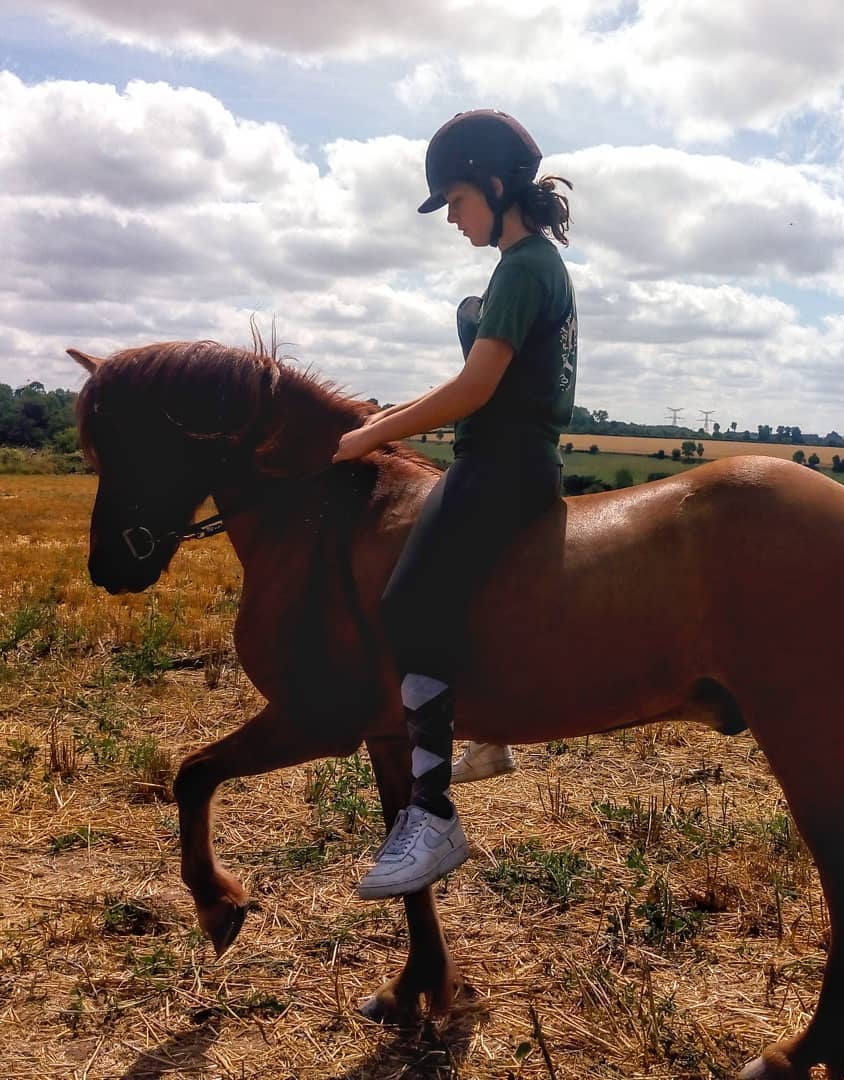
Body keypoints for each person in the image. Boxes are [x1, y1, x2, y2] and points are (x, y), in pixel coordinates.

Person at [333, 110, 578, 898]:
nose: (453, 221)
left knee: (407, 605)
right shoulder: (530, 263)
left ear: (496, 188)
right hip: (507, 458)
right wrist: (380, 419)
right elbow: (466, 386)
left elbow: (475, 390)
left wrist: (369, 442)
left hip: (501, 466)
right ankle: (490, 739)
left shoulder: (522, 269)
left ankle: (432, 814)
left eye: (457, 202)